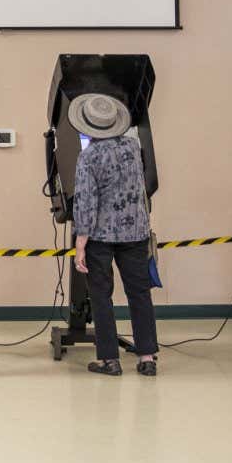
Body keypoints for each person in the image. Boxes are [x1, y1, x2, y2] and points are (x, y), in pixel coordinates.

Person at [70, 93, 159, 377]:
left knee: (101, 295)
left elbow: (85, 201)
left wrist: (80, 243)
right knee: (139, 293)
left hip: (100, 235)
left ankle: (110, 360)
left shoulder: (89, 157)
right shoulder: (133, 147)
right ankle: (147, 357)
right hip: (135, 231)